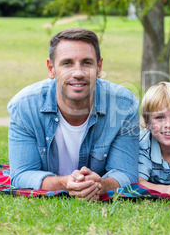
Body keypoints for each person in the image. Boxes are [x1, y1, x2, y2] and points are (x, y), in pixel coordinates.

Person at [8, 28, 140, 201]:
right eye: (67, 63)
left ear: (98, 67)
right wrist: (65, 182)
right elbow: (21, 175)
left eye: (86, 63)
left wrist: (100, 184)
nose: (78, 73)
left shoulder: (123, 105)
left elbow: (126, 172)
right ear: (51, 68)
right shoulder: (25, 106)